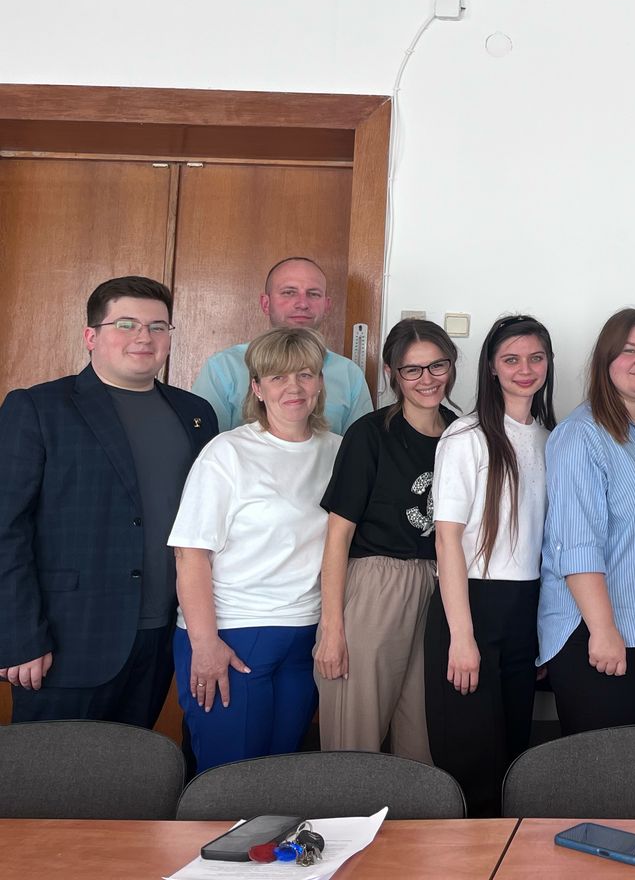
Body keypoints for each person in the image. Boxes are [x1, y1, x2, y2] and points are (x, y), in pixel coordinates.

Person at [0, 276, 217, 725]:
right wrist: (18, 636)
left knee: (135, 764)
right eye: (126, 324)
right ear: (90, 336)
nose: (144, 337)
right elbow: (6, 528)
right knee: (51, 768)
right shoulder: (38, 407)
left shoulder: (196, 414)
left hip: (163, 634)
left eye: (158, 327)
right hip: (64, 641)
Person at [169, 327, 339, 771]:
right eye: (278, 377)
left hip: (305, 636)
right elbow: (190, 554)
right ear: (257, 388)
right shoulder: (227, 453)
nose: (294, 388)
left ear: (320, 383)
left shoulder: (338, 452)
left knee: (279, 774)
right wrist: (205, 643)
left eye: (305, 374)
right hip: (233, 634)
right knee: (230, 778)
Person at [424, 314, 553, 817]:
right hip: (471, 604)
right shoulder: (466, 437)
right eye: (511, 359)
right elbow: (447, 541)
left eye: (536, 358)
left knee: (514, 754)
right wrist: (462, 637)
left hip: (525, 608)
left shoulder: (550, 437)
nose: (525, 369)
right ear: (492, 367)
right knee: (471, 762)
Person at [314, 319, 459, 761]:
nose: (427, 379)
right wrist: (332, 629)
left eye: (437, 366)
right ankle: (346, 808)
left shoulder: (461, 434)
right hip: (377, 584)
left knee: (425, 735)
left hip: (440, 586)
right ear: (394, 373)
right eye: (412, 369)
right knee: (355, 730)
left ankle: (417, 808)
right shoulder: (371, 434)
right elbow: (338, 535)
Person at [540, 309, 635, 735]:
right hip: (595, 632)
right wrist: (603, 630)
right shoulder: (581, 435)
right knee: (601, 768)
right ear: (606, 359)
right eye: (629, 350)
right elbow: (576, 544)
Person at [192, 256, 373, 433]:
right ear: (266, 303)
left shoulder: (350, 375)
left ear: (326, 305)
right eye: (289, 292)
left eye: (313, 294)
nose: (302, 303)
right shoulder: (224, 368)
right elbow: (204, 442)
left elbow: (361, 448)